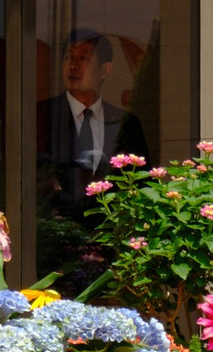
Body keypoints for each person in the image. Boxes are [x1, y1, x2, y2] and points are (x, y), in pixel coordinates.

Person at [37, 29, 147, 216]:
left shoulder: (126, 123)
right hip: (53, 229)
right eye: (68, 57)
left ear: (104, 70)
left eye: (83, 58)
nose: (73, 66)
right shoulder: (41, 115)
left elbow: (141, 184)